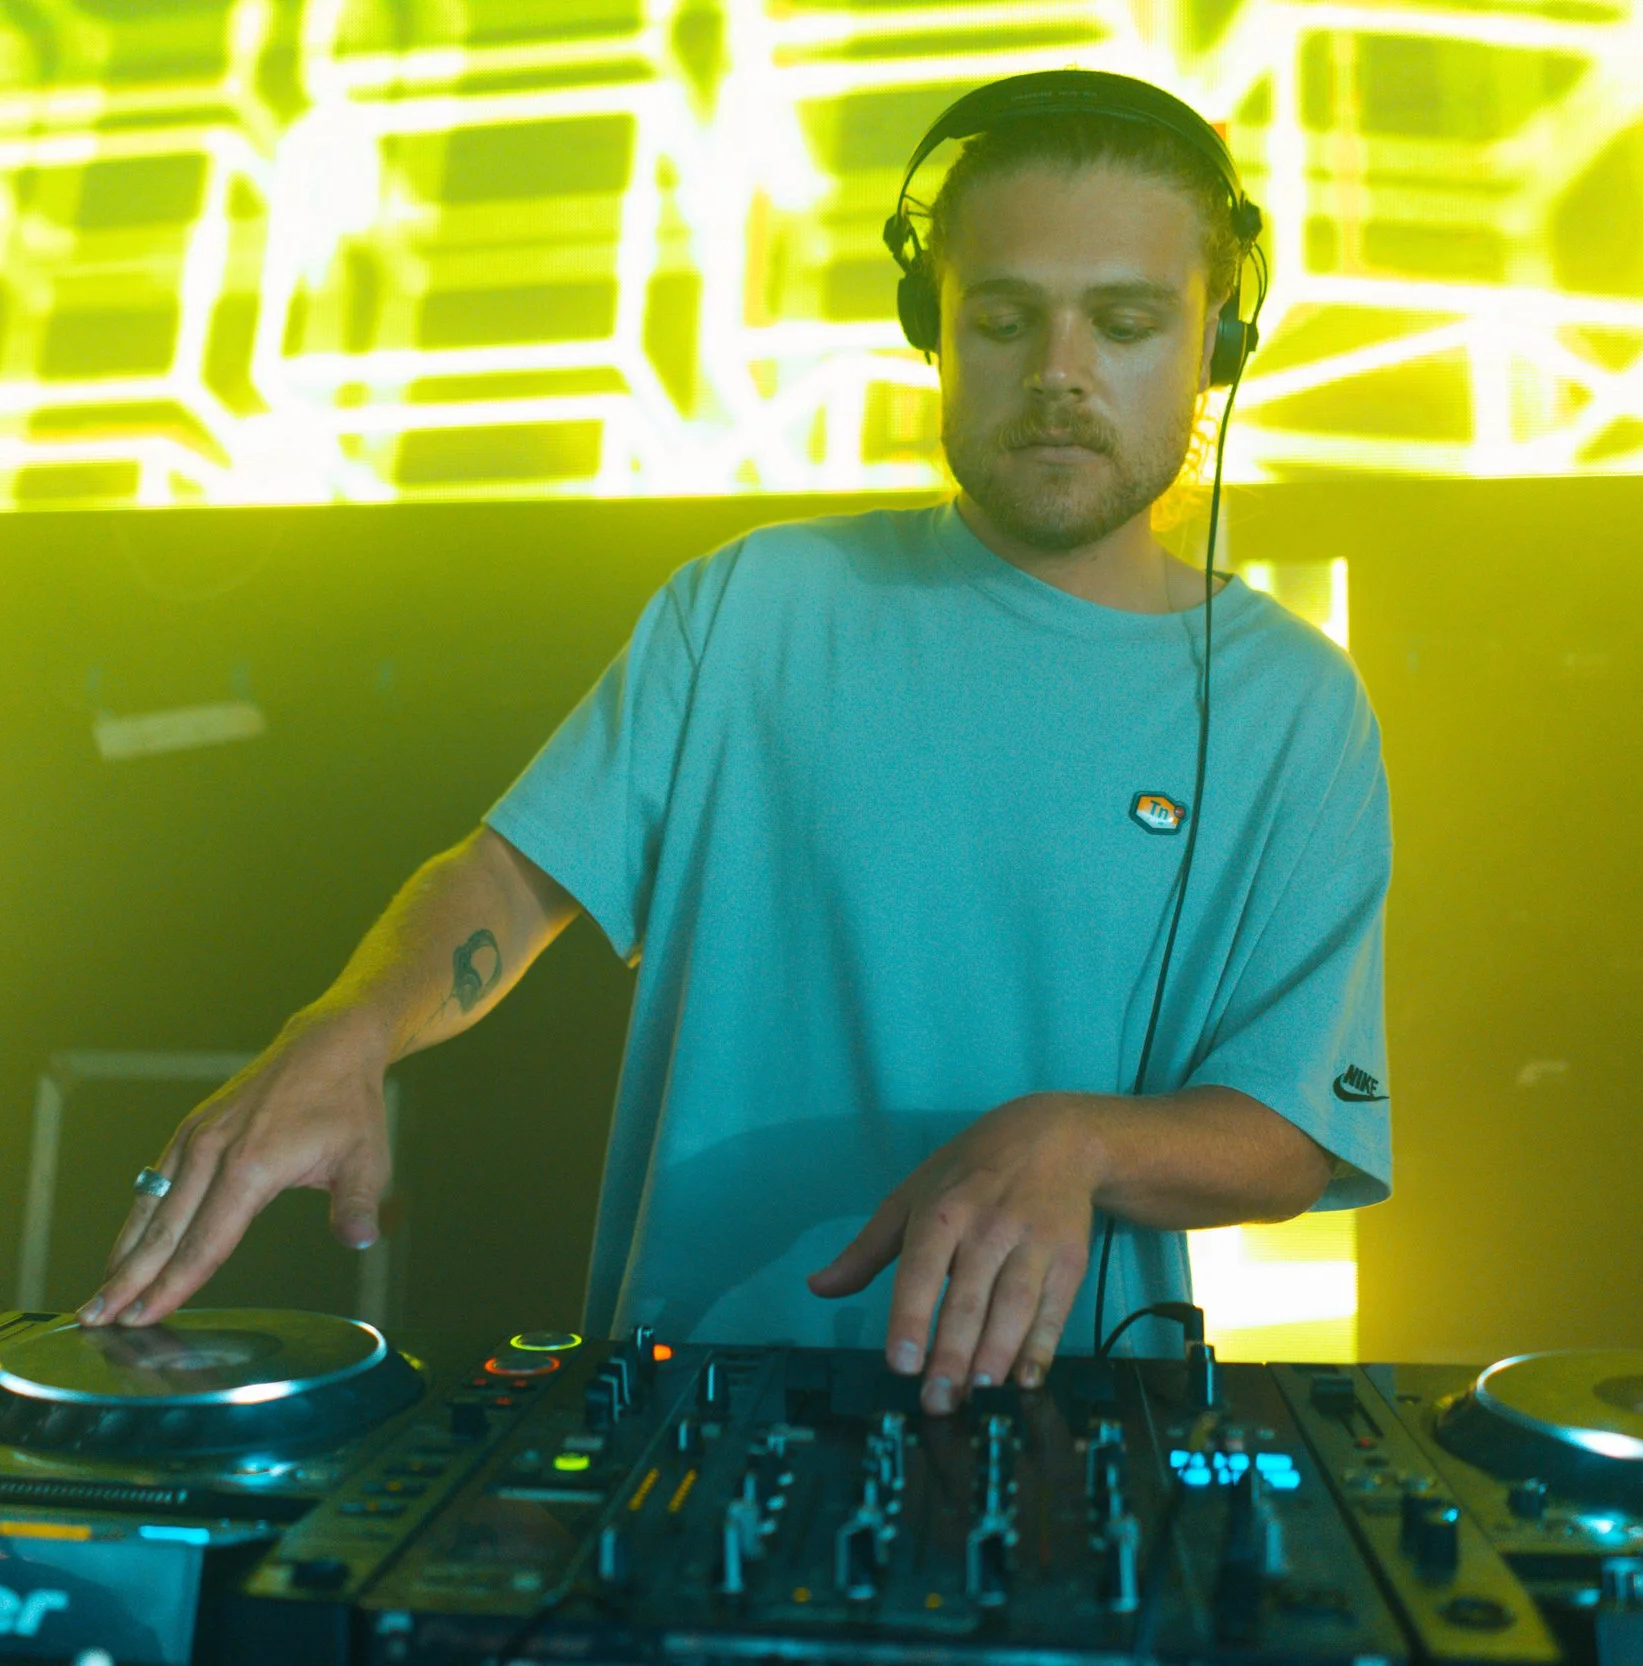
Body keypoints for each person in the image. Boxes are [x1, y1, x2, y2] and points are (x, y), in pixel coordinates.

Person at [86, 73, 1392, 1417]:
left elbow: (1293, 1132)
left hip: (1078, 1423)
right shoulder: (750, 606)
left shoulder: (1294, 703)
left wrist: (1081, 1135)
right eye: (1003, 319)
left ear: (1218, 347)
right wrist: (350, 1025)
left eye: (1123, 322)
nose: (1059, 371)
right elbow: (507, 883)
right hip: (688, 1398)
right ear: (929, 330)